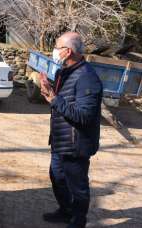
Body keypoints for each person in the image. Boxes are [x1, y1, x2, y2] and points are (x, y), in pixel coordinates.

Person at [40, 32, 103, 228]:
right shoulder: (62, 72)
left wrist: (54, 99)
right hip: (60, 140)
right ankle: (66, 211)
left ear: (67, 52)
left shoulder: (87, 78)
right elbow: (62, 102)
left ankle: (78, 221)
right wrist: (49, 91)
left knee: (78, 188)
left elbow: (84, 116)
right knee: (57, 176)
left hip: (76, 144)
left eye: (57, 47)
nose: (54, 50)